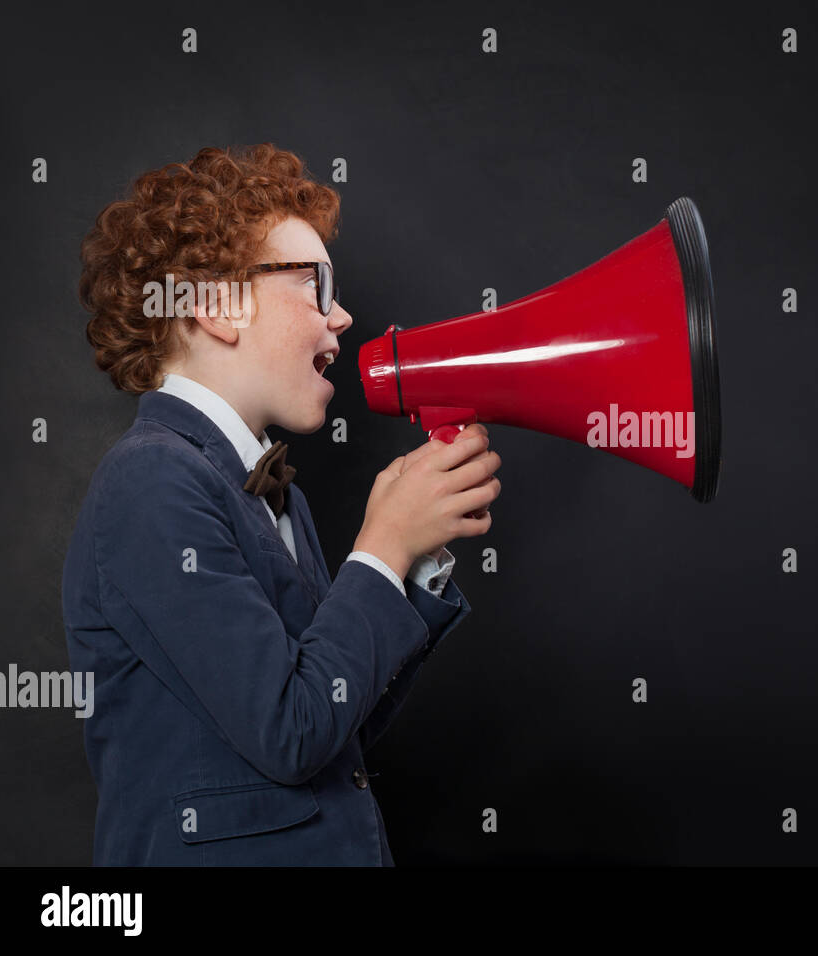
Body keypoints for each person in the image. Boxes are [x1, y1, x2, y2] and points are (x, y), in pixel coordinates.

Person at [61, 144, 501, 865]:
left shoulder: (273, 494)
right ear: (214, 306)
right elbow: (289, 732)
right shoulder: (150, 483)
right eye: (316, 287)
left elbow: (334, 724)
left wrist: (410, 561)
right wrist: (381, 546)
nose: (346, 317)